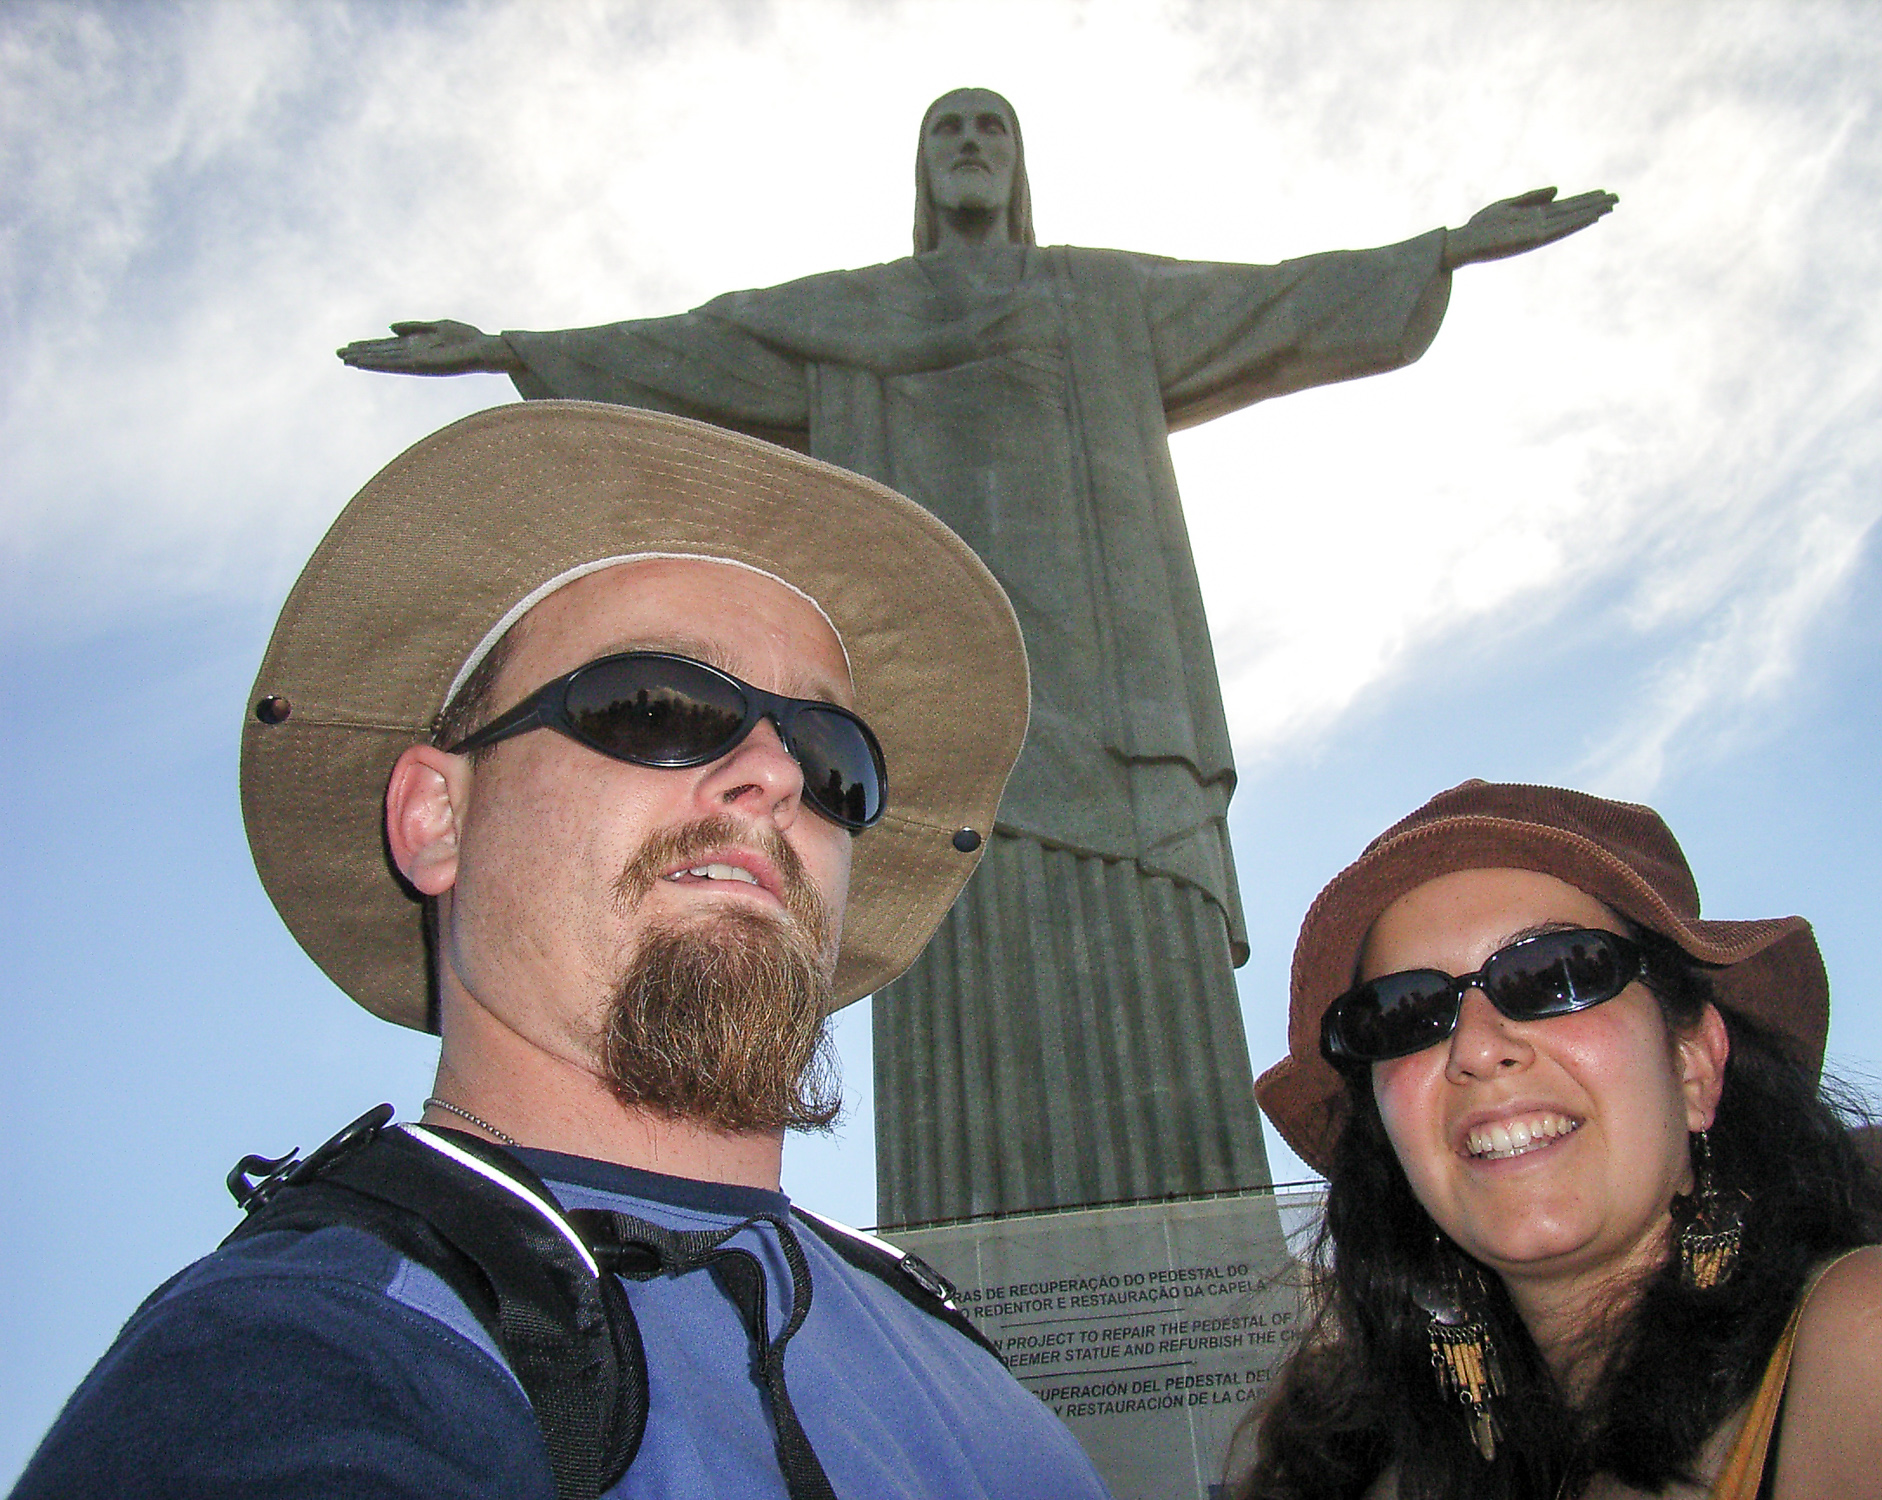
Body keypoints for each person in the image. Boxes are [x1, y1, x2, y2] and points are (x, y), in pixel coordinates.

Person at [336, 88, 1619, 1226]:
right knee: (949, 897)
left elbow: (1277, 300)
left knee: (1139, 956)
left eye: (988, 129)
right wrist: (512, 349)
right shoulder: (848, 317)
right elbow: (696, 345)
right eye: (946, 129)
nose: (968, 147)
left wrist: (1440, 250)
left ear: (1016, 162)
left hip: (1116, 705)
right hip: (934, 707)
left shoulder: (1096, 295)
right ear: (920, 167)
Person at [11, 401, 1114, 1500]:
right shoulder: (311, 1345)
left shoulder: (964, 1367)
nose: (777, 775)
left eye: (834, 756)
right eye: (660, 705)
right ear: (437, 817)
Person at [1244, 780, 1882, 1500]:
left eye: (1557, 971)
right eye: (1404, 1013)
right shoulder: (1382, 1473)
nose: (1475, 1047)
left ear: (1694, 1064)